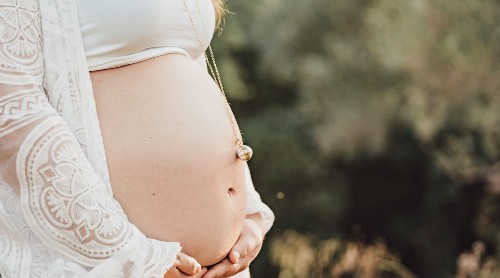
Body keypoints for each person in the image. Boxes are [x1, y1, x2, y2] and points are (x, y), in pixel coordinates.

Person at [0, 0, 274, 277]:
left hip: (220, 266)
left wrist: (248, 213)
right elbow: (12, 108)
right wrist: (126, 251)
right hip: (108, 261)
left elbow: (190, 69)